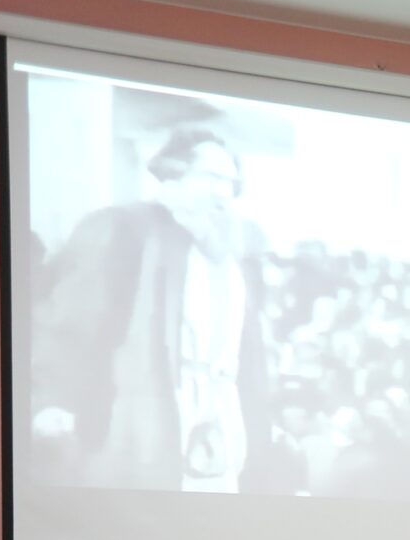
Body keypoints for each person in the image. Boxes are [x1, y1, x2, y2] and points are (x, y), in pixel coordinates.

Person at [30, 127, 269, 492]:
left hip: (222, 416)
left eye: (231, 182)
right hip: (144, 416)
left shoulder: (230, 256)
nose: (223, 192)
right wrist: (54, 400)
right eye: (212, 177)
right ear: (172, 174)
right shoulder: (126, 228)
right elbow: (72, 322)